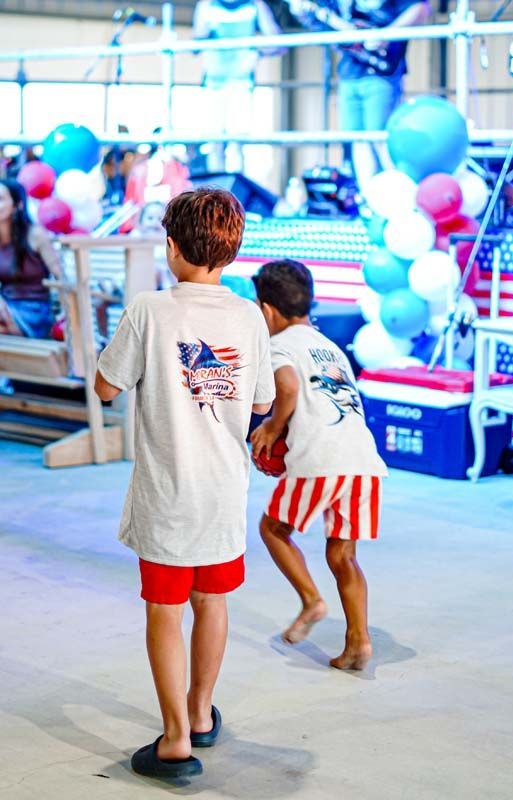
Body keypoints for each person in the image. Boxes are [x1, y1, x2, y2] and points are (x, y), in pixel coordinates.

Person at [94, 188, 275, 780]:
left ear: (171, 247)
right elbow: (262, 401)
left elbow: (105, 386)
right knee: (212, 601)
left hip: (168, 495)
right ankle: (200, 713)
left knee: (165, 611)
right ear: (230, 250)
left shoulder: (150, 309)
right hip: (224, 493)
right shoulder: (249, 315)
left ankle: (175, 741)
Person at [250, 259, 387, 670]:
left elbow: (289, 386)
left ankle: (311, 599)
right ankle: (358, 643)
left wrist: (273, 429)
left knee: (272, 528)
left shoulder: (279, 345)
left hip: (321, 459)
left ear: (266, 310)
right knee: (343, 555)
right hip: (363, 461)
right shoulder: (331, 347)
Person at [289, 0, 431, 191]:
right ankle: (369, 197)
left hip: (381, 73)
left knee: (381, 139)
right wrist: (302, 12)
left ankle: (403, 196)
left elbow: (421, 7)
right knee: (358, 139)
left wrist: (387, 34)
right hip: (349, 73)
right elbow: (320, 21)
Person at [193, 0, 285, 174]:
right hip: (214, 83)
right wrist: (203, 35)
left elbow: (278, 44)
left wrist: (256, 50)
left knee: (237, 144)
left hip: (241, 83)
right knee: (215, 144)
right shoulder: (207, 5)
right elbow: (195, 45)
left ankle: (232, 197)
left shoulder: (255, 5)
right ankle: (213, 196)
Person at [0, 178, 61, 338]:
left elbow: (60, 274)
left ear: (17, 205)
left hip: (35, 310)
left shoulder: (34, 234)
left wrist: (67, 314)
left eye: (1, 199)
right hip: (6, 308)